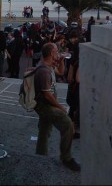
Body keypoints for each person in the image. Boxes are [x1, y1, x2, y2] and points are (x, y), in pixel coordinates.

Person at [33, 42, 80, 171]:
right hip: (45, 106)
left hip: (45, 104)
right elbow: (47, 95)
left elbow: (61, 71)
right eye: (56, 51)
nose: (58, 52)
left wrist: (61, 60)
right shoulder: (43, 71)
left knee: (44, 131)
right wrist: (60, 107)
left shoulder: (49, 66)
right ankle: (67, 158)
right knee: (68, 125)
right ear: (51, 53)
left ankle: (40, 157)